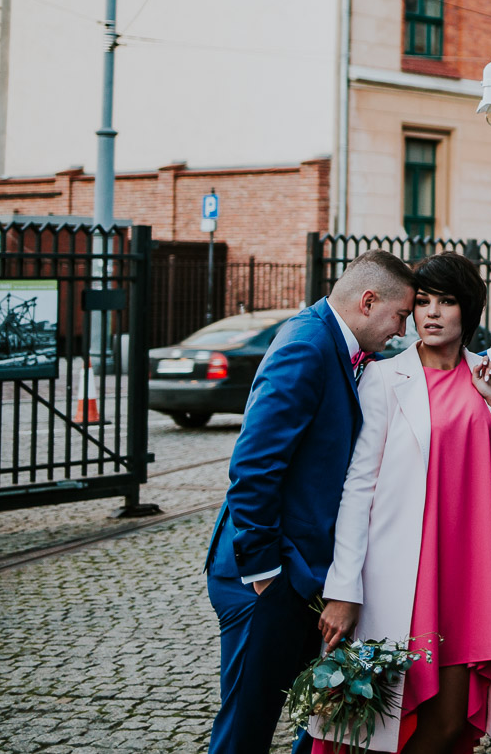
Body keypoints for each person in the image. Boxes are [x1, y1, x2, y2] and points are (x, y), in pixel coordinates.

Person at [205, 250, 418, 754]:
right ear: (368, 302)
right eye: (401, 315)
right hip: (266, 579)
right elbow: (254, 464)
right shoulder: (306, 345)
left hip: (303, 576)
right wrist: (264, 574)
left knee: (322, 718)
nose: (402, 329)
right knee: (245, 728)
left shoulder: (338, 345)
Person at [311, 252, 491, 753]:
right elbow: (357, 488)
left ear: (470, 310)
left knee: (448, 726)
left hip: (467, 576)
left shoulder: (486, 378)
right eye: (422, 302)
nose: (433, 313)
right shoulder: (383, 378)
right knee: (383, 728)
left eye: (447, 302)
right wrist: (344, 589)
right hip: (403, 576)